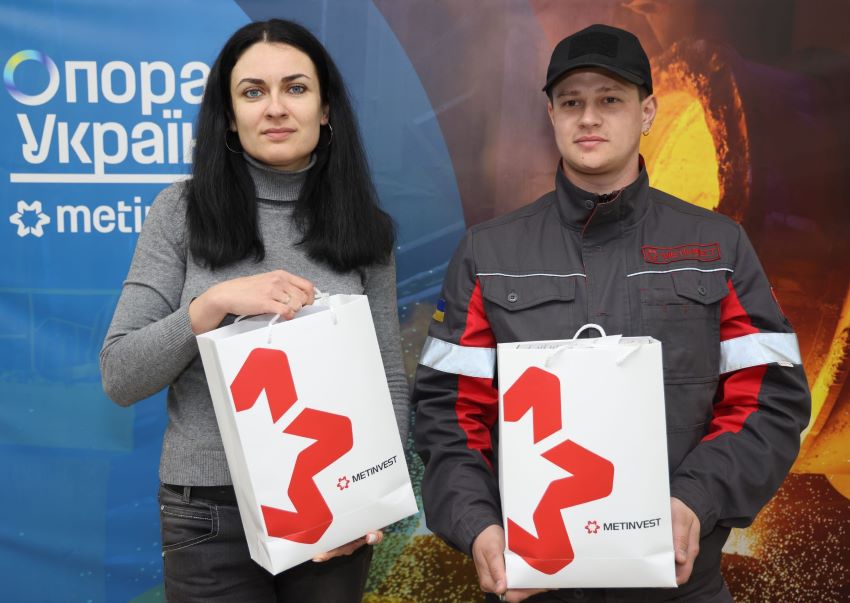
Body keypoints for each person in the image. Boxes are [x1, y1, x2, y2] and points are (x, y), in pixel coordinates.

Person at [412, 23, 810, 603]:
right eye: (572, 102)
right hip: (536, 585)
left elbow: (770, 398)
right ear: (551, 114)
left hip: (682, 587)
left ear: (647, 112)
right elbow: (448, 414)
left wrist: (695, 500)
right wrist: (477, 526)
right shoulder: (487, 254)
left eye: (611, 100)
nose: (589, 118)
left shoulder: (719, 246)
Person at [100, 18, 408, 603]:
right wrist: (211, 305)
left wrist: (371, 501)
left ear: (325, 109)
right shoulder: (179, 212)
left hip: (333, 504)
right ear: (228, 115)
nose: (275, 108)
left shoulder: (366, 229)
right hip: (208, 517)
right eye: (252, 92)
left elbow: (388, 375)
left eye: (296, 88)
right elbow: (120, 375)